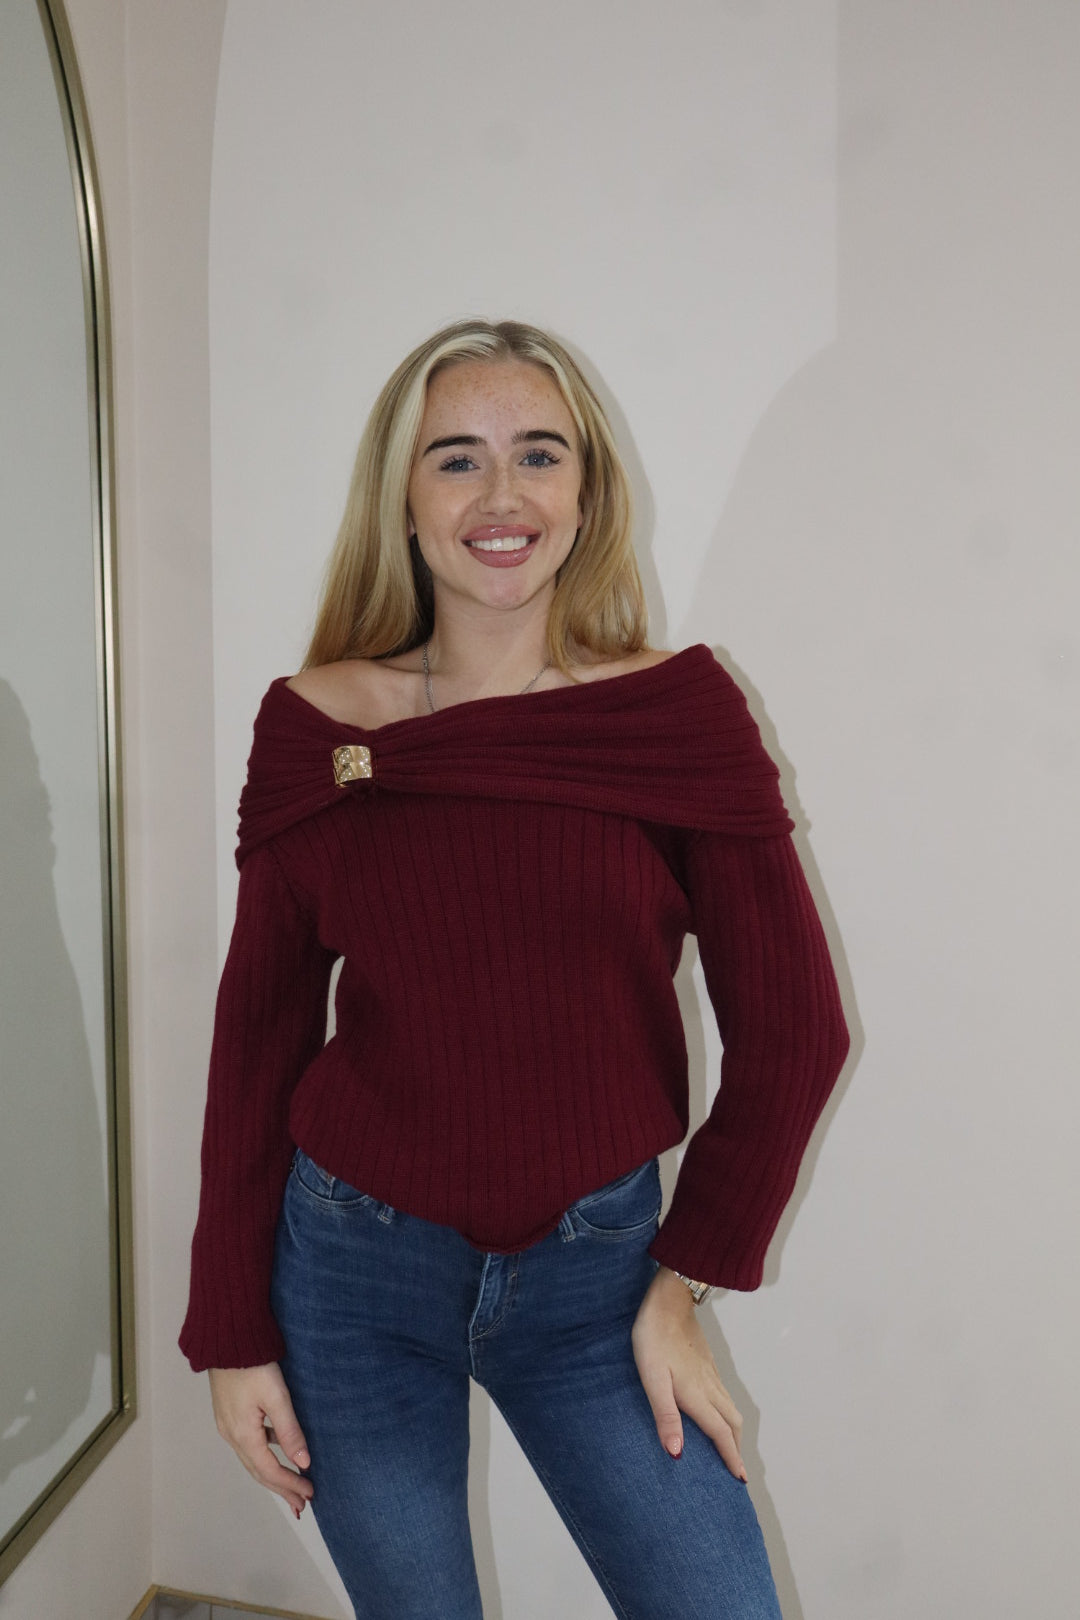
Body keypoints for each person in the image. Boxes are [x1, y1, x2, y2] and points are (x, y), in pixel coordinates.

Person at [180, 318, 850, 1619]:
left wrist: (685, 1284)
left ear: (587, 494)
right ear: (403, 500)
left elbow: (798, 1032)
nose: (502, 495)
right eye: (457, 459)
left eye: (539, 455)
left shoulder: (675, 715)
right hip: (352, 1276)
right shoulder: (314, 725)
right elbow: (258, 1041)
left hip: (599, 1285)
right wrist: (230, 1334)